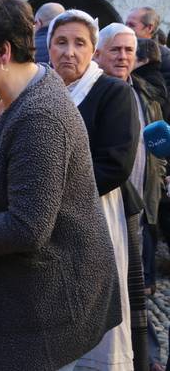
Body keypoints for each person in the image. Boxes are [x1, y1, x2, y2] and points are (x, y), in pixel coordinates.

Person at [0, 0, 122, 371]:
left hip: (49, 303)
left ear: (3, 53)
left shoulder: (41, 117)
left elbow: (27, 226)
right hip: (16, 292)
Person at [47, 10, 140, 371]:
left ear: (93, 50)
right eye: (61, 42)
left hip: (95, 213)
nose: (69, 52)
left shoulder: (111, 92)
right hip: (46, 219)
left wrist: (55, 195)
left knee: (93, 299)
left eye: (79, 43)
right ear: (49, 47)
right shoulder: (41, 90)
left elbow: (115, 163)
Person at [96, 24, 167, 371]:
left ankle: (144, 356)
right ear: (98, 54)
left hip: (140, 206)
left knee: (132, 290)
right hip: (105, 211)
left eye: (129, 51)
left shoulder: (146, 94)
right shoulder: (90, 96)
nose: (124, 57)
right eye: (115, 50)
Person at [126, 7, 170, 92]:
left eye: (131, 25)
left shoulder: (165, 56)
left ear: (149, 28)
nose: (126, 28)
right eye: (126, 24)